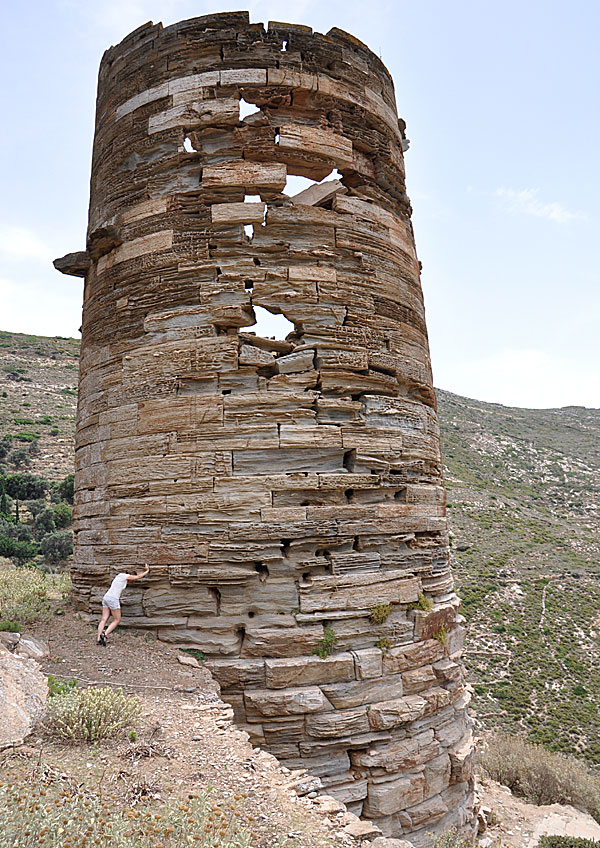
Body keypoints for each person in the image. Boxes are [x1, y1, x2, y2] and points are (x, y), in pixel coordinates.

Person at [96, 564, 149, 645]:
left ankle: (99, 639)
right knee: (117, 620)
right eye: (131, 579)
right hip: (113, 599)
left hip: (106, 597)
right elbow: (138, 577)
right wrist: (147, 571)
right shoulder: (125, 576)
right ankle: (104, 635)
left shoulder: (119, 576)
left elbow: (136, 576)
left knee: (103, 619)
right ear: (131, 575)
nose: (131, 581)